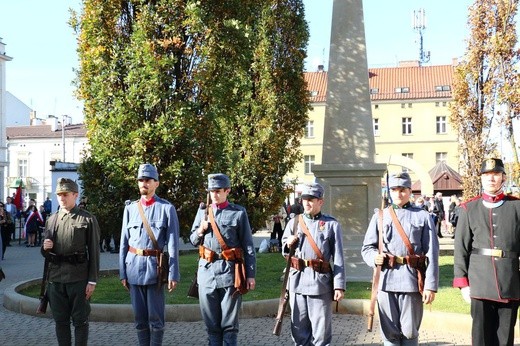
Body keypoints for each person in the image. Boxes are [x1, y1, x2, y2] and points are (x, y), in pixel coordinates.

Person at [361, 172, 439, 346]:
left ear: (410, 191)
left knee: (410, 332)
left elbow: (432, 254)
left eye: (402, 189)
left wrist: (430, 286)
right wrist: (375, 257)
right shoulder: (380, 216)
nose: (398, 193)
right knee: (390, 333)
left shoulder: (423, 217)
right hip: (386, 281)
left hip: (411, 281)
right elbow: (367, 248)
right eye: (394, 189)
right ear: (389, 191)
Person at [453, 158, 520, 345]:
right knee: (481, 338)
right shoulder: (469, 208)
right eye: (487, 175)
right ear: (481, 179)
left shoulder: (516, 207)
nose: (491, 179)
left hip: (509, 283)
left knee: (505, 339)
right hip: (479, 282)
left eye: (496, 174)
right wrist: (463, 283)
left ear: (503, 178)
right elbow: (461, 249)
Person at [189, 173, 256, 346]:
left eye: (218, 191)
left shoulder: (238, 213)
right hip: (206, 275)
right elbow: (192, 240)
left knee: (229, 327)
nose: (214, 195)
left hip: (229, 275)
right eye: (212, 191)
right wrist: (200, 231)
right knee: (212, 327)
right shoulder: (203, 212)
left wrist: (250, 275)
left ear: (227, 191)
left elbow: (248, 246)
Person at [119, 163, 180, 346]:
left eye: (148, 180)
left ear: (156, 183)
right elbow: (124, 242)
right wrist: (122, 272)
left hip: (155, 270)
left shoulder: (166, 209)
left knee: (156, 319)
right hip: (134, 269)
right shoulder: (130, 209)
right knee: (139, 319)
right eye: (141, 180)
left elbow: (173, 244)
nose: (143, 183)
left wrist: (173, 273)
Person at [282, 182, 345, 345]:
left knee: (321, 335)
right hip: (297, 283)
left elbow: (338, 258)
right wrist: (287, 243)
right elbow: (284, 252)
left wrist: (338, 286)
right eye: (304, 199)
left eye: (312, 199)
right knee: (299, 334)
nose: (307, 203)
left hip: (320, 285)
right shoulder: (294, 223)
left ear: (320, 202)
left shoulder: (331, 225)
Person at [41, 177, 100, 346]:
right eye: (59, 194)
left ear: (75, 195)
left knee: (80, 321)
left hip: (78, 278)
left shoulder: (87, 219)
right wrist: (45, 247)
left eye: (65, 194)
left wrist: (92, 280)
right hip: (56, 278)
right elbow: (45, 254)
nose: (62, 198)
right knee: (60, 322)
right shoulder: (52, 219)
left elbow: (95, 252)